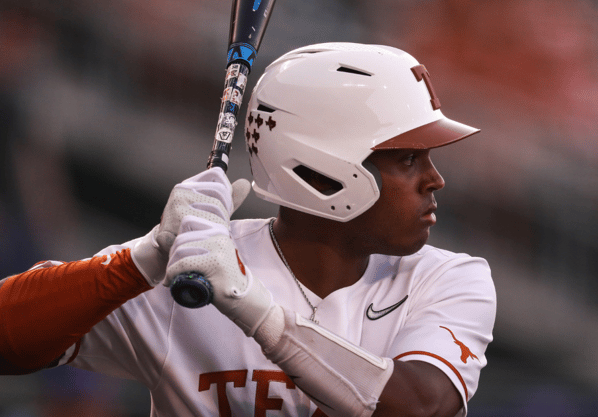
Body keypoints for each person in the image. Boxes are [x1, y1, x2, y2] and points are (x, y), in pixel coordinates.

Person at [0, 42, 497, 417]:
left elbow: (424, 407)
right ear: (326, 169)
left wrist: (254, 308)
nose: (435, 180)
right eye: (410, 159)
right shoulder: (187, 268)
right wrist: (143, 258)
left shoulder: (450, 278)